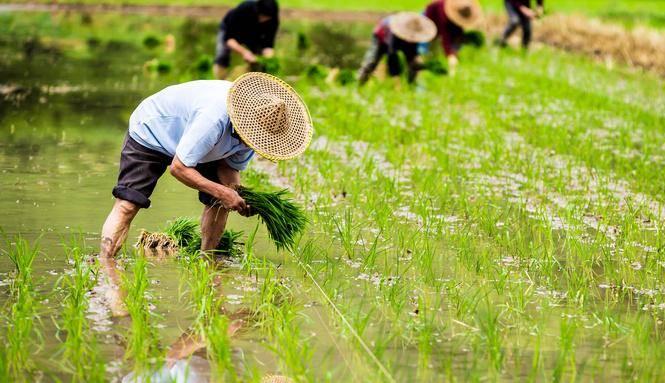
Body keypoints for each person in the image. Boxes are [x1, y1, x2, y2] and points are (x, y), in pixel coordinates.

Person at [97, 72, 313, 315]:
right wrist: (222, 191)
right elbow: (179, 168)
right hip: (153, 132)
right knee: (128, 204)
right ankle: (107, 271)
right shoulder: (214, 118)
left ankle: (207, 263)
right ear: (242, 120)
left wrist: (237, 196)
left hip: (204, 146)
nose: (251, 143)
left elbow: (229, 170)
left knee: (220, 203)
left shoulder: (254, 134)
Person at [357, 13, 437, 85]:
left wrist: (418, 64)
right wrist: (396, 78)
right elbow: (391, 54)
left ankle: (411, 85)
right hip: (381, 37)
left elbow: (412, 54)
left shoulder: (414, 36)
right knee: (372, 60)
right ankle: (360, 82)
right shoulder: (394, 32)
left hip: (399, 39)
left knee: (413, 63)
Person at [214, 0, 280, 79]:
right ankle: (221, 81)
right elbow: (229, 40)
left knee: (258, 62)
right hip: (232, 31)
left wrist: (268, 58)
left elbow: (268, 44)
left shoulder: (273, 19)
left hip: (254, 34)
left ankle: (254, 84)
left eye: (267, 18)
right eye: (262, 16)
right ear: (257, 11)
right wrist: (244, 52)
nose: (263, 20)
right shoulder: (244, 9)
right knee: (222, 56)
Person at [424, 0, 483, 76]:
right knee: (427, 50)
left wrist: (455, 52)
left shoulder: (459, 13)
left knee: (442, 50)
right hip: (428, 20)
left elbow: (457, 34)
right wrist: (450, 54)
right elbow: (445, 37)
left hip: (442, 24)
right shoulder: (443, 14)